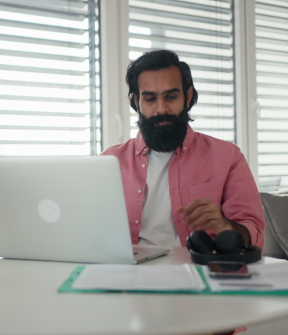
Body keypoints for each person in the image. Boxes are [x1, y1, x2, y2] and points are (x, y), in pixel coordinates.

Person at [102, 50, 264, 251]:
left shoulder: (228, 156)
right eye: (150, 99)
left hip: (198, 271)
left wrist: (226, 226)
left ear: (187, 97)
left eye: (170, 96)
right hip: (128, 272)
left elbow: (255, 232)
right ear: (136, 102)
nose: (161, 108)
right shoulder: (108, 162)